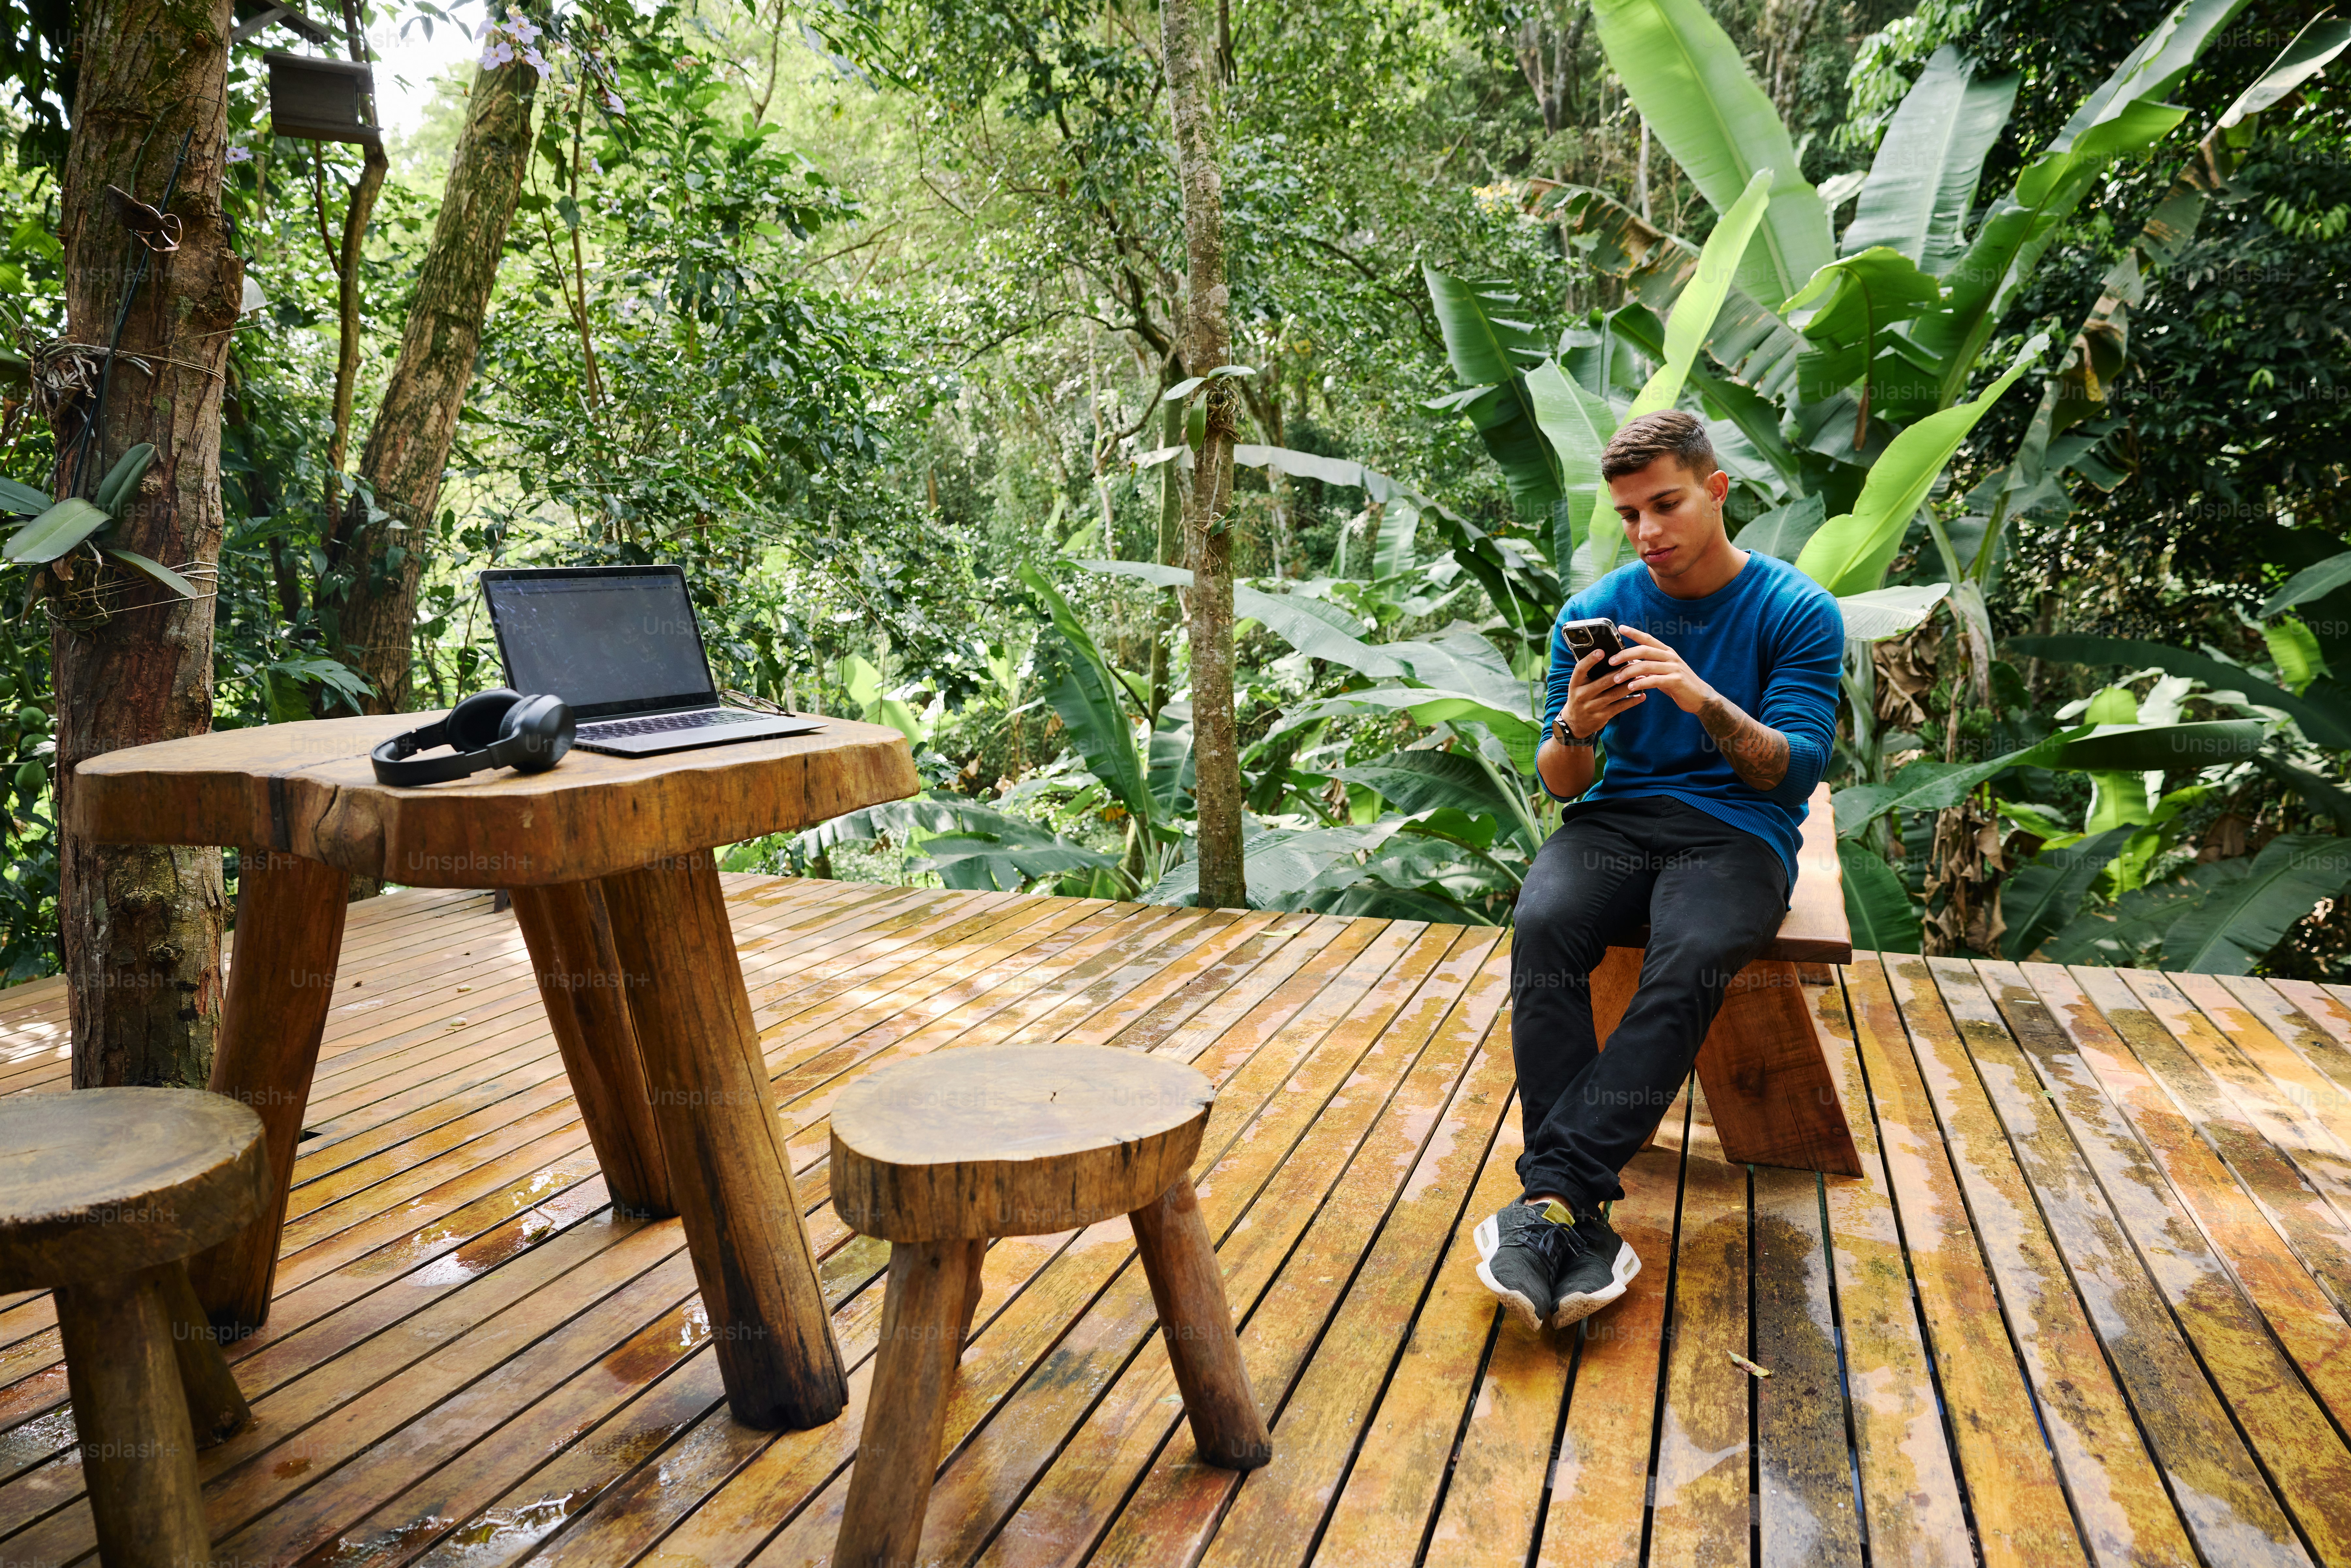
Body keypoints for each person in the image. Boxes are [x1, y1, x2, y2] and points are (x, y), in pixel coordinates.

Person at [1475, 408, 1843, 1331]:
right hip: (1617, 820)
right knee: (1544, 924)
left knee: (1691, 955)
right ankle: (1569, 1210)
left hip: (1739, 831)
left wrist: (1701, 697)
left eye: (1666, 505)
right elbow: (1562, 782)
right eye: (1630, 514)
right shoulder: (1592, 612)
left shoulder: (1797, 610)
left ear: (1717, 491)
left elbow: (1794, 770)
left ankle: (1552, 1197)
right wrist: (1578, 725)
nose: (1647, 532)